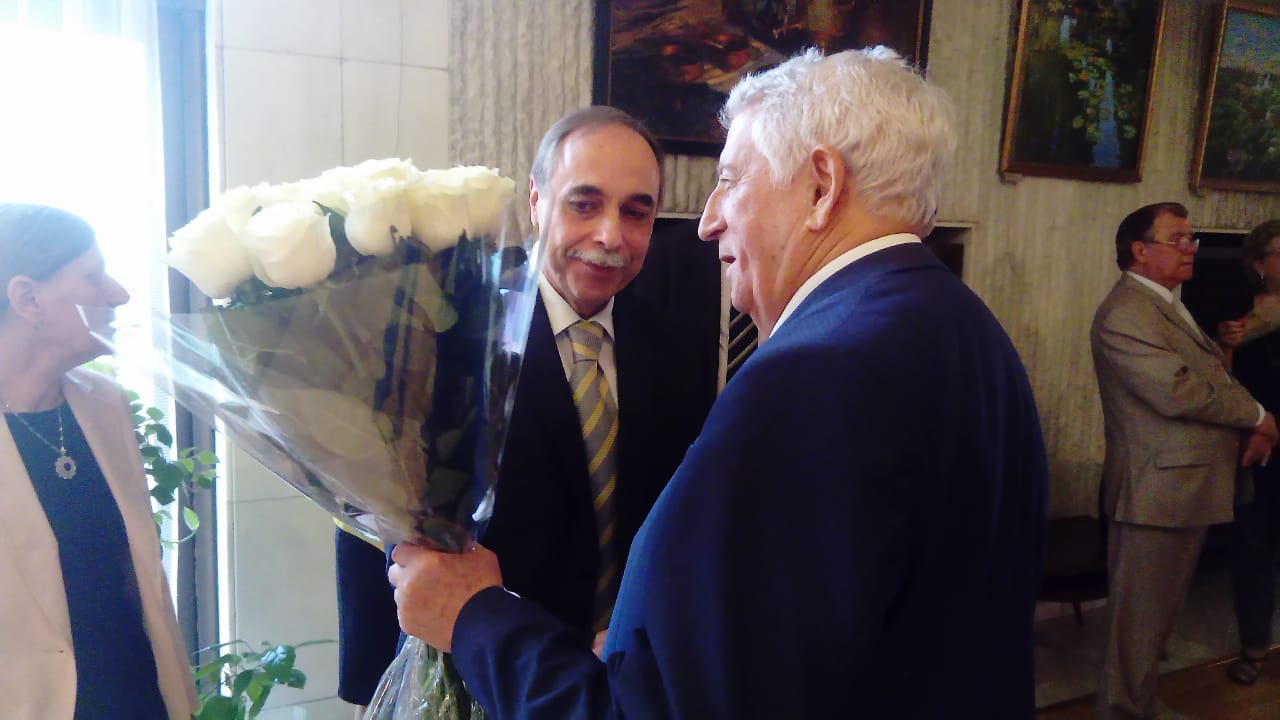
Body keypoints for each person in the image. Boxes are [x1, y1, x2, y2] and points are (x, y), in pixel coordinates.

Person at [388, 47, 1049, 718]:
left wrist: (476, 617)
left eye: (730, 179)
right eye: (584, 202)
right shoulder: (973, 330)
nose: (708, 222)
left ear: (821, 187)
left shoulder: (806, 377)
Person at [335, 108, 720, 713]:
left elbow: (678, 521)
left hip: (614, 685)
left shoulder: (681, 346)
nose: (611, 236)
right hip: (478, 679)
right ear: (537, 202)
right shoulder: (452, 335)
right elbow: (373, 521)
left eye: (635, 212)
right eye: (584, 204)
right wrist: (370, 691)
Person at [0, 203, 198, 718]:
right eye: (93, 276)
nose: (118, 294)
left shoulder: (105, 404)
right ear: (27, 299)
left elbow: (141, 582)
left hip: (139, 697)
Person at [1091, 203, 1278, 718]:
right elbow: (1178, 391)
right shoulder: (1126, 313)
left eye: (1191, 238)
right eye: (1177, 238)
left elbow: (1215, 376)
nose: (1190, 248)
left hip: (1184, 489)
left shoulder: (1165, 305)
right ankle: (1124, 710)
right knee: (1137, 623)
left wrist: (1249, 427)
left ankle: (1143, 704)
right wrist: (1258, 416)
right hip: (1155, 493)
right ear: (1140, 250)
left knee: (1157, 620)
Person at [1218, 220, 1280, 686]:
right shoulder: (1236, 313)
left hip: (1271, 435)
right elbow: (1224, 382)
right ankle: (1254, 647)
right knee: (1253, 547)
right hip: (1254, 444)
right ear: (1258, 263)